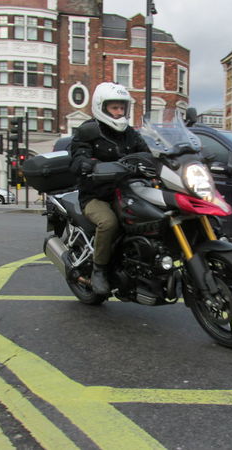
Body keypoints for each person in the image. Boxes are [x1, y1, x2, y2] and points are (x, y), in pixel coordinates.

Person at [70, 82, 150, 295]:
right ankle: (99, 270)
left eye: (122, 107)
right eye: (114, 107)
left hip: (127, 192)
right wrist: (89, 164)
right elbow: (77, 160)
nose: (119, 112)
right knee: (109, 222)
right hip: (96, 196)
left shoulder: (130, 133)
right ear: (102, 107)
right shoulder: (88, 131)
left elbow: (147, 152)